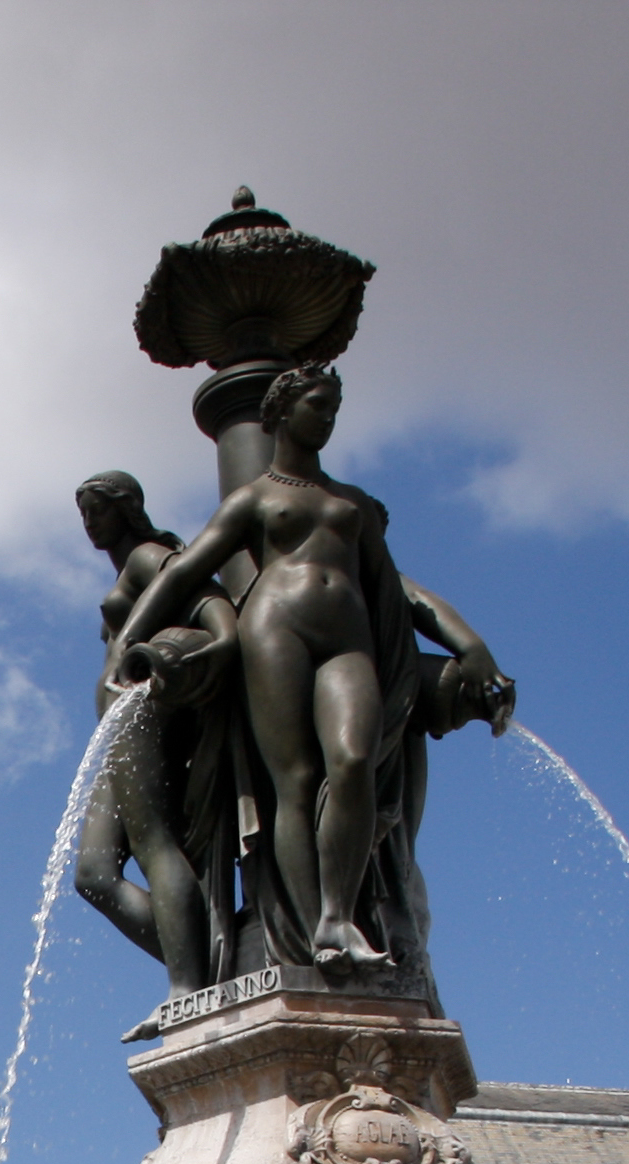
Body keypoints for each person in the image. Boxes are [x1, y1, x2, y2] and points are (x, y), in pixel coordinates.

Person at [108, 363, 512, 976]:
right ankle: (313, 929)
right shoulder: (255, 498)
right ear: (280, 412)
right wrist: (129, 643)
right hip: (276, 631)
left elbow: (401, 592)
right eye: (317, 406)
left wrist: (471, 646)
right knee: (293, 782)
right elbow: (185, 572)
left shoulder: (352, 503)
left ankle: (338, 912)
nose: (328, 418)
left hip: (348, 640)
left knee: (352, 760)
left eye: (333, 408)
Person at [71, 469, 236, 994]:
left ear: (127, 508)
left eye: (97, 509)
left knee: (153, 844)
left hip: (148, 713)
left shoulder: (147, 556)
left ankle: (186, 987)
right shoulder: (128, 569)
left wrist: (225, 638)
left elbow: (204, 594)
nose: (89, 522)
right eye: (83, 513)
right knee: (93, 874)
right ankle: (211, 961)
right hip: (121, 729)